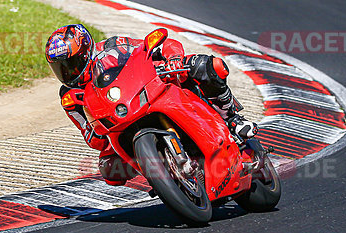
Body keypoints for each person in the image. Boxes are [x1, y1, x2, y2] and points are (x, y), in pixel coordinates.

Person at [45, 24, 258, 186]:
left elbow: (162, 45)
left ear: (85, 52)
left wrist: (173, 59)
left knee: (208, 66)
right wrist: (96, 129)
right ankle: (161, 172)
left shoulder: (113, 47)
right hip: (119, 120)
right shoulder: (70, 96)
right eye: (60, 68)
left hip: (153, 86)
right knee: (109, 169)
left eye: (71, 64)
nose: (67, 73)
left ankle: (232, 118)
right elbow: (90, 138)